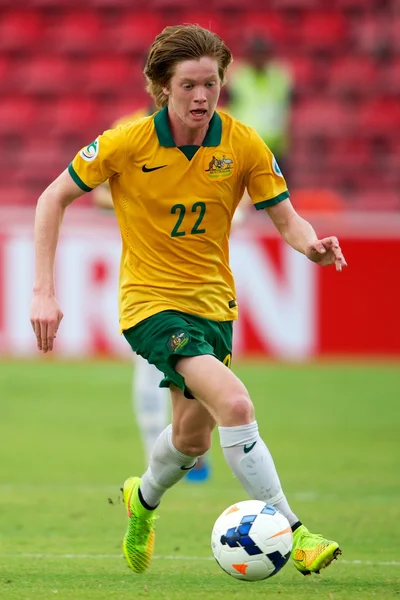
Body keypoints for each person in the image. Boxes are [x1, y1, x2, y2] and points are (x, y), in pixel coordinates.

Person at [30, 24, 347, 577]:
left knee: (190, 439)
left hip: (214, 307)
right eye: (189, 87)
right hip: (150, 306)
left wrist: (311, 246)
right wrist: (44, 290)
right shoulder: (128, 142)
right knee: (237, 405)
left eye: (212, 85)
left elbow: (288, 219)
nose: (201, 97)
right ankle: (295, 534)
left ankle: (141, 500)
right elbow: (52, 197)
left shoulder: (245, 143)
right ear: (162, 88)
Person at [93, 107, 211, 482]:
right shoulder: (128, 130)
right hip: (148, 272)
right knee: (149, 367)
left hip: (201, 272)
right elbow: (97, 194)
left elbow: (238, 189)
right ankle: (155, 459)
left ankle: (188, 448)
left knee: (205, 366)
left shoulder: (217, 130)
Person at [227, 36, 292, 176]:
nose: (259, 58)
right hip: (245, 144)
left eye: (262, 53)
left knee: (275, 191)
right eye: (255, 54)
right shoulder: (238, 75)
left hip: (274, 145)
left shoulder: (280, 76)